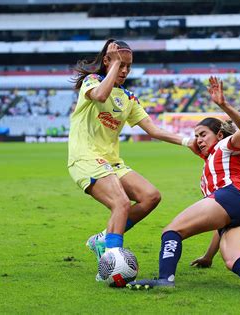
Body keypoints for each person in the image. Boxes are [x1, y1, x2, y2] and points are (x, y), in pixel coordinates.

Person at [127, 77, 240, 298]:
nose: (199, 140)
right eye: (196, 136)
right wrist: (208, 256)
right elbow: (220, 221)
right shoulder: (211, 165)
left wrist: (223, 105)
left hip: (231, 197)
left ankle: (165, 280)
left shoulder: (226, 146)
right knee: (234, 260)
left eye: (203, 134)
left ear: (220, 135)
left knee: (171, 232)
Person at [68, 39, 194, 280]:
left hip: (112, 162)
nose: (125, 71)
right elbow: (101, 94)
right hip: (85, 157)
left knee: (150, 196)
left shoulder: (128, 97)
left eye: (128, 66)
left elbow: (154, 130)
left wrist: (188, 142)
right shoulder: (92, 82)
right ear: (107, 62)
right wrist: (113, 66)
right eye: (121, 65)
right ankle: (111, 263)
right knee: (122, 203)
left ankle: (104, 239)